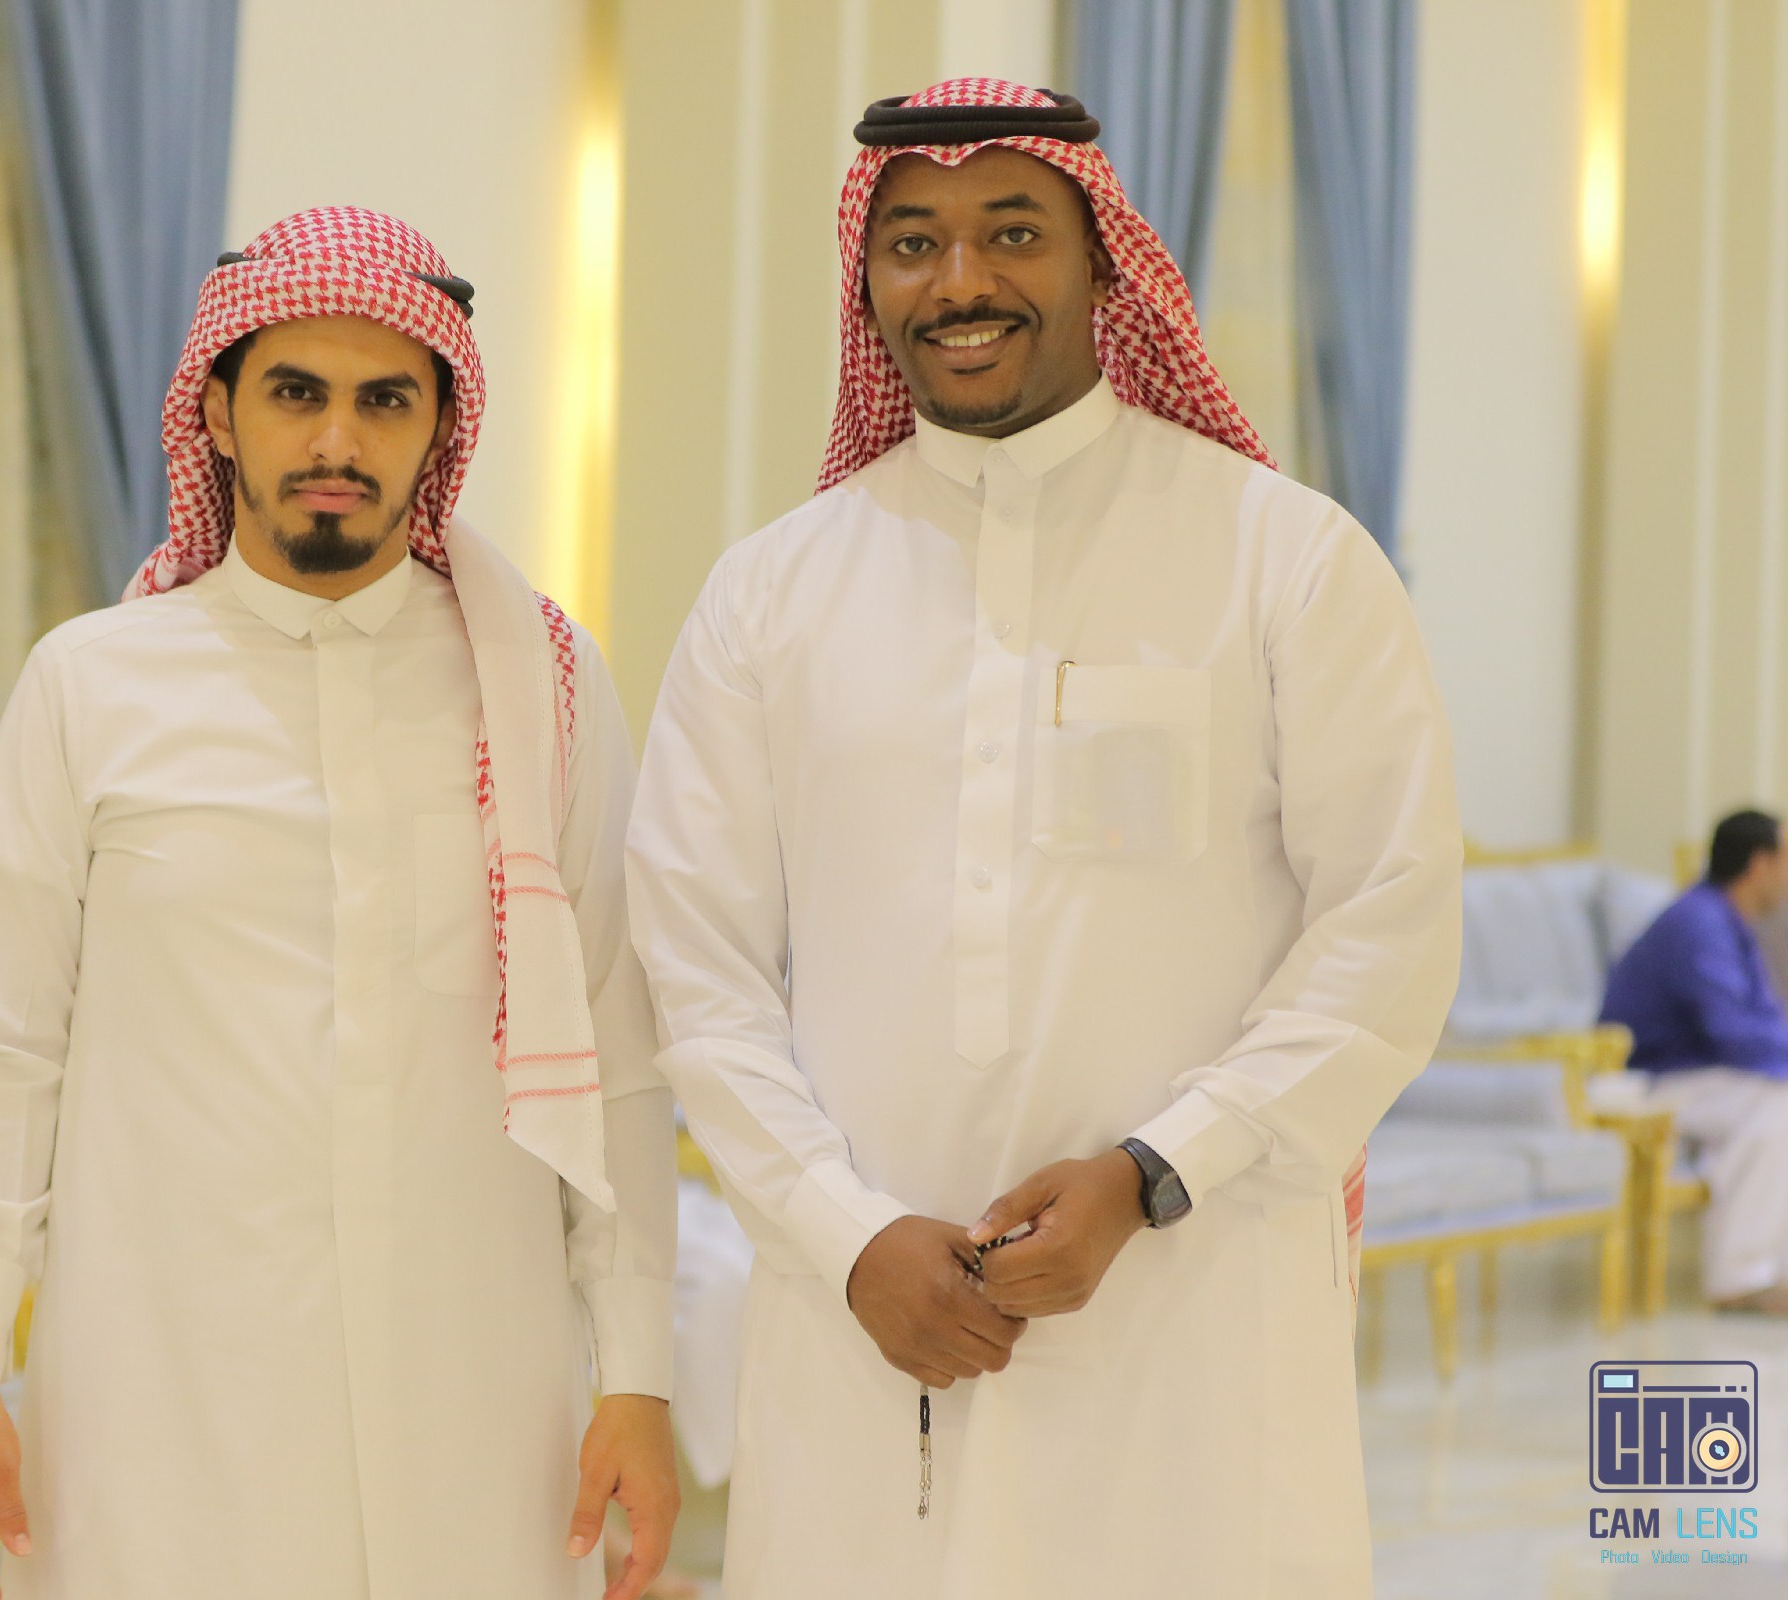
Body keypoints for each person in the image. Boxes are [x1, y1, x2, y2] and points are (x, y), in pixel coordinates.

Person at [626, 79, 1461, 1598]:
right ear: (866, 280)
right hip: (859, 1324)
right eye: (914, 243)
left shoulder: (1285, 560)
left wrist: (1155, 1175)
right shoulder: (769, 595)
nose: (961, 282)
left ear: (1103, 264)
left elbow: (1389, 928)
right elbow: (696, 967)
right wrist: (845, 1231)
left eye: (1013, 233)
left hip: (1195, 1306)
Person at [0, 207, 680, 1600]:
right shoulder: (89, 685)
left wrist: (637, 1376)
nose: (337, 441)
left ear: (439, 426)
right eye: (294, 394)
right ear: (218, 413)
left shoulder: (544, 687)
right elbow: (2, 1050)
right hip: (166, 1394)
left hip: (472, 1387)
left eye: (384, 400)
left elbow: (619, 1049)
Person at [1601, 808, 1788, 1313]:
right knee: (1778, 1104)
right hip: (1648, 1079)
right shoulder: (1697, 923)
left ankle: (1771, 1268)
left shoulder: (1729, 922)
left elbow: (1763, 1024)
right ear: (1760, 864)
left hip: (1702, 1074)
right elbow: (1731, 1030)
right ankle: (1739, 1279)